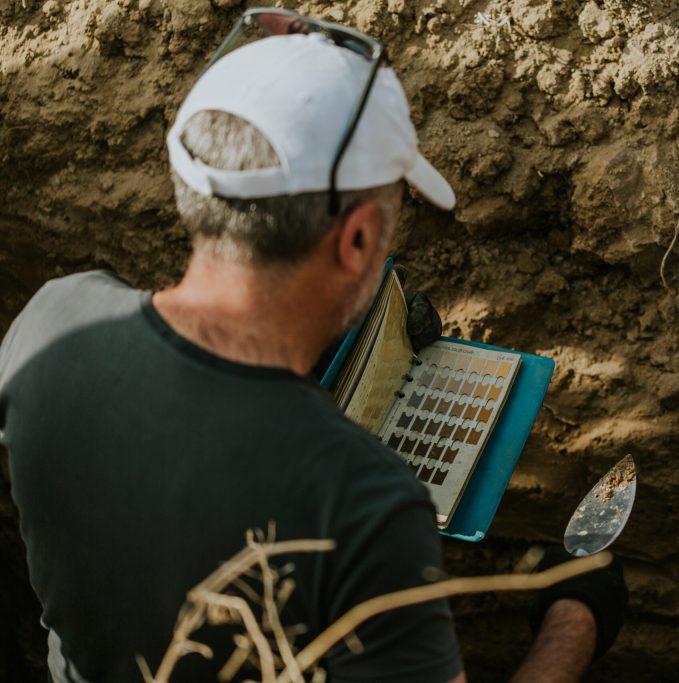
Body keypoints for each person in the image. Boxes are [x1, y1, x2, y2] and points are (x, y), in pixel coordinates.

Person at [0, 9, 626, 683]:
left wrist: (348, 357)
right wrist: (573, 619)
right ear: (356, 241)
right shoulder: (366, 505)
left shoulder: (51, 322)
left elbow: (182, 436)